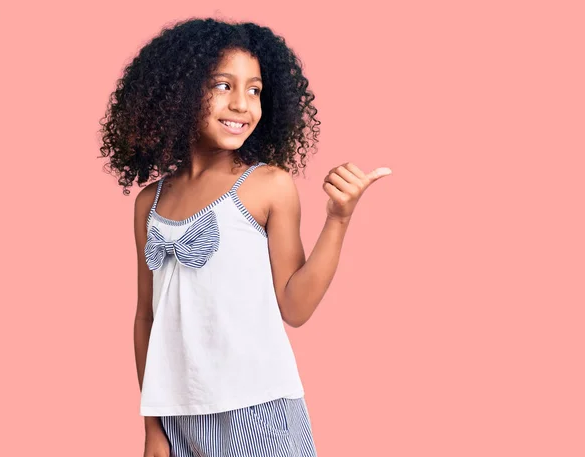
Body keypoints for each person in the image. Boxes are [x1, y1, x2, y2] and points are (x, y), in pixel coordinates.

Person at [98, 17, 391, 457]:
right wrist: (152, 425)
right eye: (222, 85)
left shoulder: (267, 186)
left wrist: (339, 219)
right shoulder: (149, 204)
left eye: (254, 90)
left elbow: (295, 306)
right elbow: (146, 318)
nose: (242, 105)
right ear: (178, 91)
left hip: (257, 407)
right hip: (178, 414)